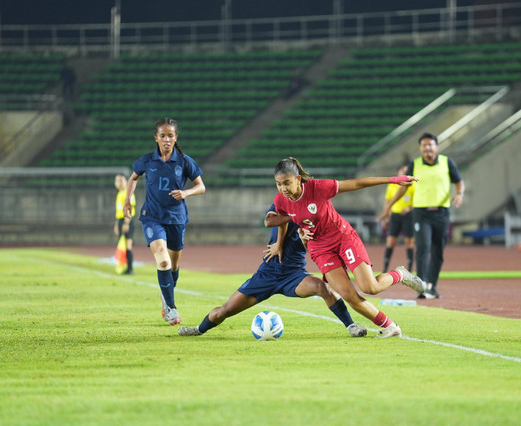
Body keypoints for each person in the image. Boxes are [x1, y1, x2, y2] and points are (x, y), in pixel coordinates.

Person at [271, 157, 427, 339]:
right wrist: (281, 242)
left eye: (287, 183)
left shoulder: (318, 188)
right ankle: (390, 326)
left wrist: (392, 179)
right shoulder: (281, 200)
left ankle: (400, 274)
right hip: (320, 249)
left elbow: (357, 183)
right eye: (278, 184)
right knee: (347, 294)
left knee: (370, 287)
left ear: (298, 179)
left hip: (342, 237)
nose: (283, 189)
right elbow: (282, 219)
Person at [179, 205, 368, 338]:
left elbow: (316, 246)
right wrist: (278, 243)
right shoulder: (281, 203)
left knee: (322, 287)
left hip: (294, 275)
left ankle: (351, 325)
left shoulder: (314, 216)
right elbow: (271, 221)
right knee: (223, 312)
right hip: (267, 274)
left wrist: (304, 238)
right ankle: (198, 329)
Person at [123, 118, 206, 325]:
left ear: (175, 137)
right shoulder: (147, 161)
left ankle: (166, 295)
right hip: (152, 216)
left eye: (170, 136)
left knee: (174, 266)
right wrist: (127, 201)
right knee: (163, 260)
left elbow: (201, 186)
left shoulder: (185, 161)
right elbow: (133, 178)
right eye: (163, 136)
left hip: (176, 218)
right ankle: (171, 309)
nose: (166, 140)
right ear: (156, 138)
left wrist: (186, 192)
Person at [380, 132, 464, 300]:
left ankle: (432, 286)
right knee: (423, 247)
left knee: (438, 250)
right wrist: (389, 206)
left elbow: (459, 181)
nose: (427, 148)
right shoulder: (415, 164)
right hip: (421, 213)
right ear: (420, 148)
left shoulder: (447, 163)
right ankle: (422, 286)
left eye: (430, 145)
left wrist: (459, 193)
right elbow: (403, 187)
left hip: (441, 212)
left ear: (436, 147)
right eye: (424, 145)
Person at [377, 165, 415, 273]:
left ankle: (410, 269)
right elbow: (387, 202)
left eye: (406, 172)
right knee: (390, 242)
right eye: (402, 171)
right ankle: (385, 268)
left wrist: (409, 208)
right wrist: (386, 217)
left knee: (409, 242)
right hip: (395, 216)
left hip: (408, 216)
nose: (403, 173)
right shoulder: (392, 186)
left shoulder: (412, 186)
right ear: (398, 173)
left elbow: (417, 202)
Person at [114, 173, 136, 274]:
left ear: (126, 181)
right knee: (122, 244)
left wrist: (126, 223)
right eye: (117, 180)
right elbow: (118, 211)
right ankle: (125, 266)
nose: (119, 182)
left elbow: (129, 209)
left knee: (128, 245)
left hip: (127, 221)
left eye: (121, 180)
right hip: (120, 221)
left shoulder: (128, 192)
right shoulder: (120, 193)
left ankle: (130, 269)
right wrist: (116, 224)